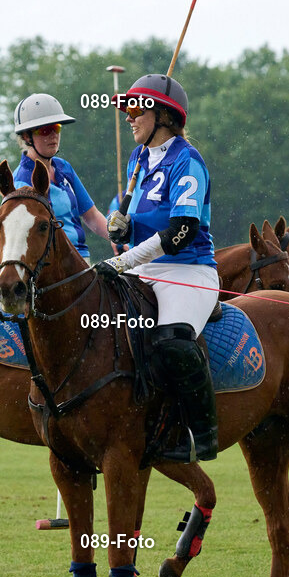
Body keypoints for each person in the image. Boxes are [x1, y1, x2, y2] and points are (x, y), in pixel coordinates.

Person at [95, 74, 219, 462]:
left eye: (135, 109)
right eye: (126, 110)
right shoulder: (137, 158)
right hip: (144, 268)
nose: (128, 118)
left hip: (189, 270)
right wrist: (122, 224)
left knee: (172, 342)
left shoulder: (188, 160)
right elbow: (139, 218)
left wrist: (126, 257)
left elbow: (183, 230)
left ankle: (200, 435)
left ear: (163, 114)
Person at [12, 93, 110, 258]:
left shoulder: (64, 167)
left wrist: (118, 239)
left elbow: (91, 216)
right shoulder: (21, 181)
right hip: (50, 266)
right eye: (45, 130)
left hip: (80, 260)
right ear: (26, 137)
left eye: (56, 127)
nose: (53, 135)